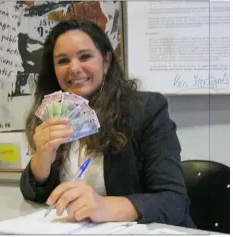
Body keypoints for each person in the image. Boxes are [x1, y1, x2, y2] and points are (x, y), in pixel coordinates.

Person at [20, 19, 195, 228]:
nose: (74, 68)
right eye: (63, 61)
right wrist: (42, 157)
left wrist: (104, 207)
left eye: (85, 56)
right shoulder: (56, 113)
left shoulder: (146, 110)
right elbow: (33, 192)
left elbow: (174, 202)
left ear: (107, 61)